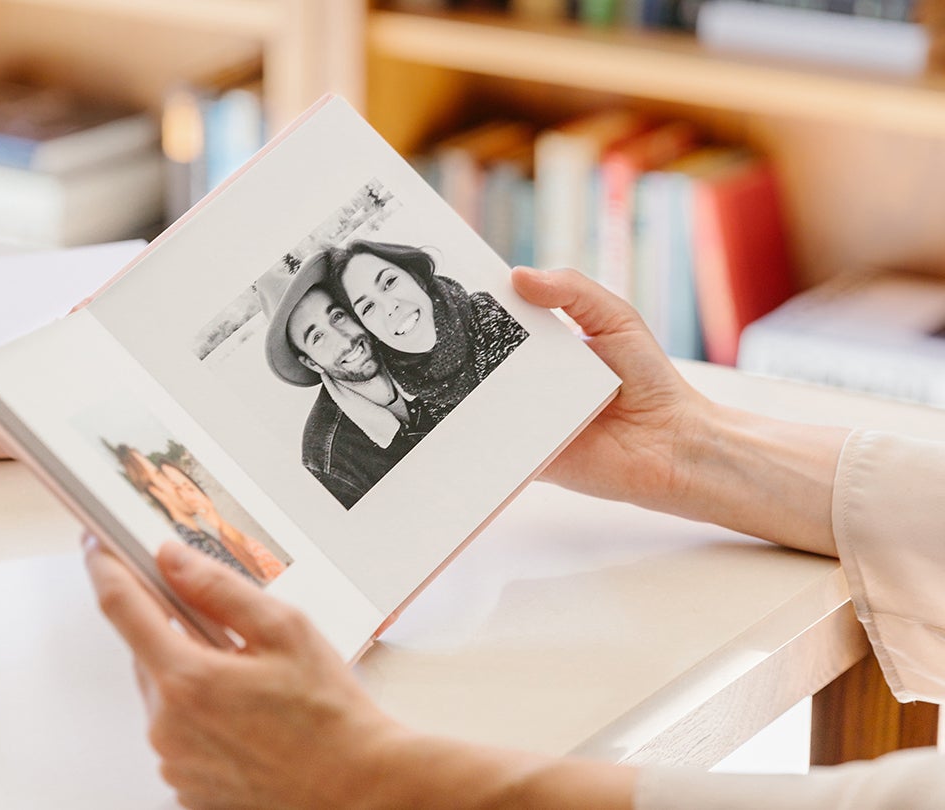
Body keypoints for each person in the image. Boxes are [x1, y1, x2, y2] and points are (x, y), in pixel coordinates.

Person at [85, 267, 945, 809]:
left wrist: (370, 781)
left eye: (357, 312)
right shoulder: (324, 441)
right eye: (329, 328)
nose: (358, 328)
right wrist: (688, 451)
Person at [257, 250, 439, 509]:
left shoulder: (417, 347)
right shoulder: (329, 460)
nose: (344, 340)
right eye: (317, 337)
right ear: (310, 362)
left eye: (337, 316)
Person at [328, 239, 529, 423]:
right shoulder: (416, 405)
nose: (390, 308)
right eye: (368, 308)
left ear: (415, 277)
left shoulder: (500, 314)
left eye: (389, 282)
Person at [102, 439, 259, 584]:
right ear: (157, 493)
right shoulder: (192, 548)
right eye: (161, 477)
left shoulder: (198, 536)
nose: (176, 484)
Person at [157, 460, 288, 584]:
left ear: (200, 491)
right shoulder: (213, 542)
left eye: (189, 488)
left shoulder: (233, 539)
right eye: (178, 490)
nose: (187, 496)